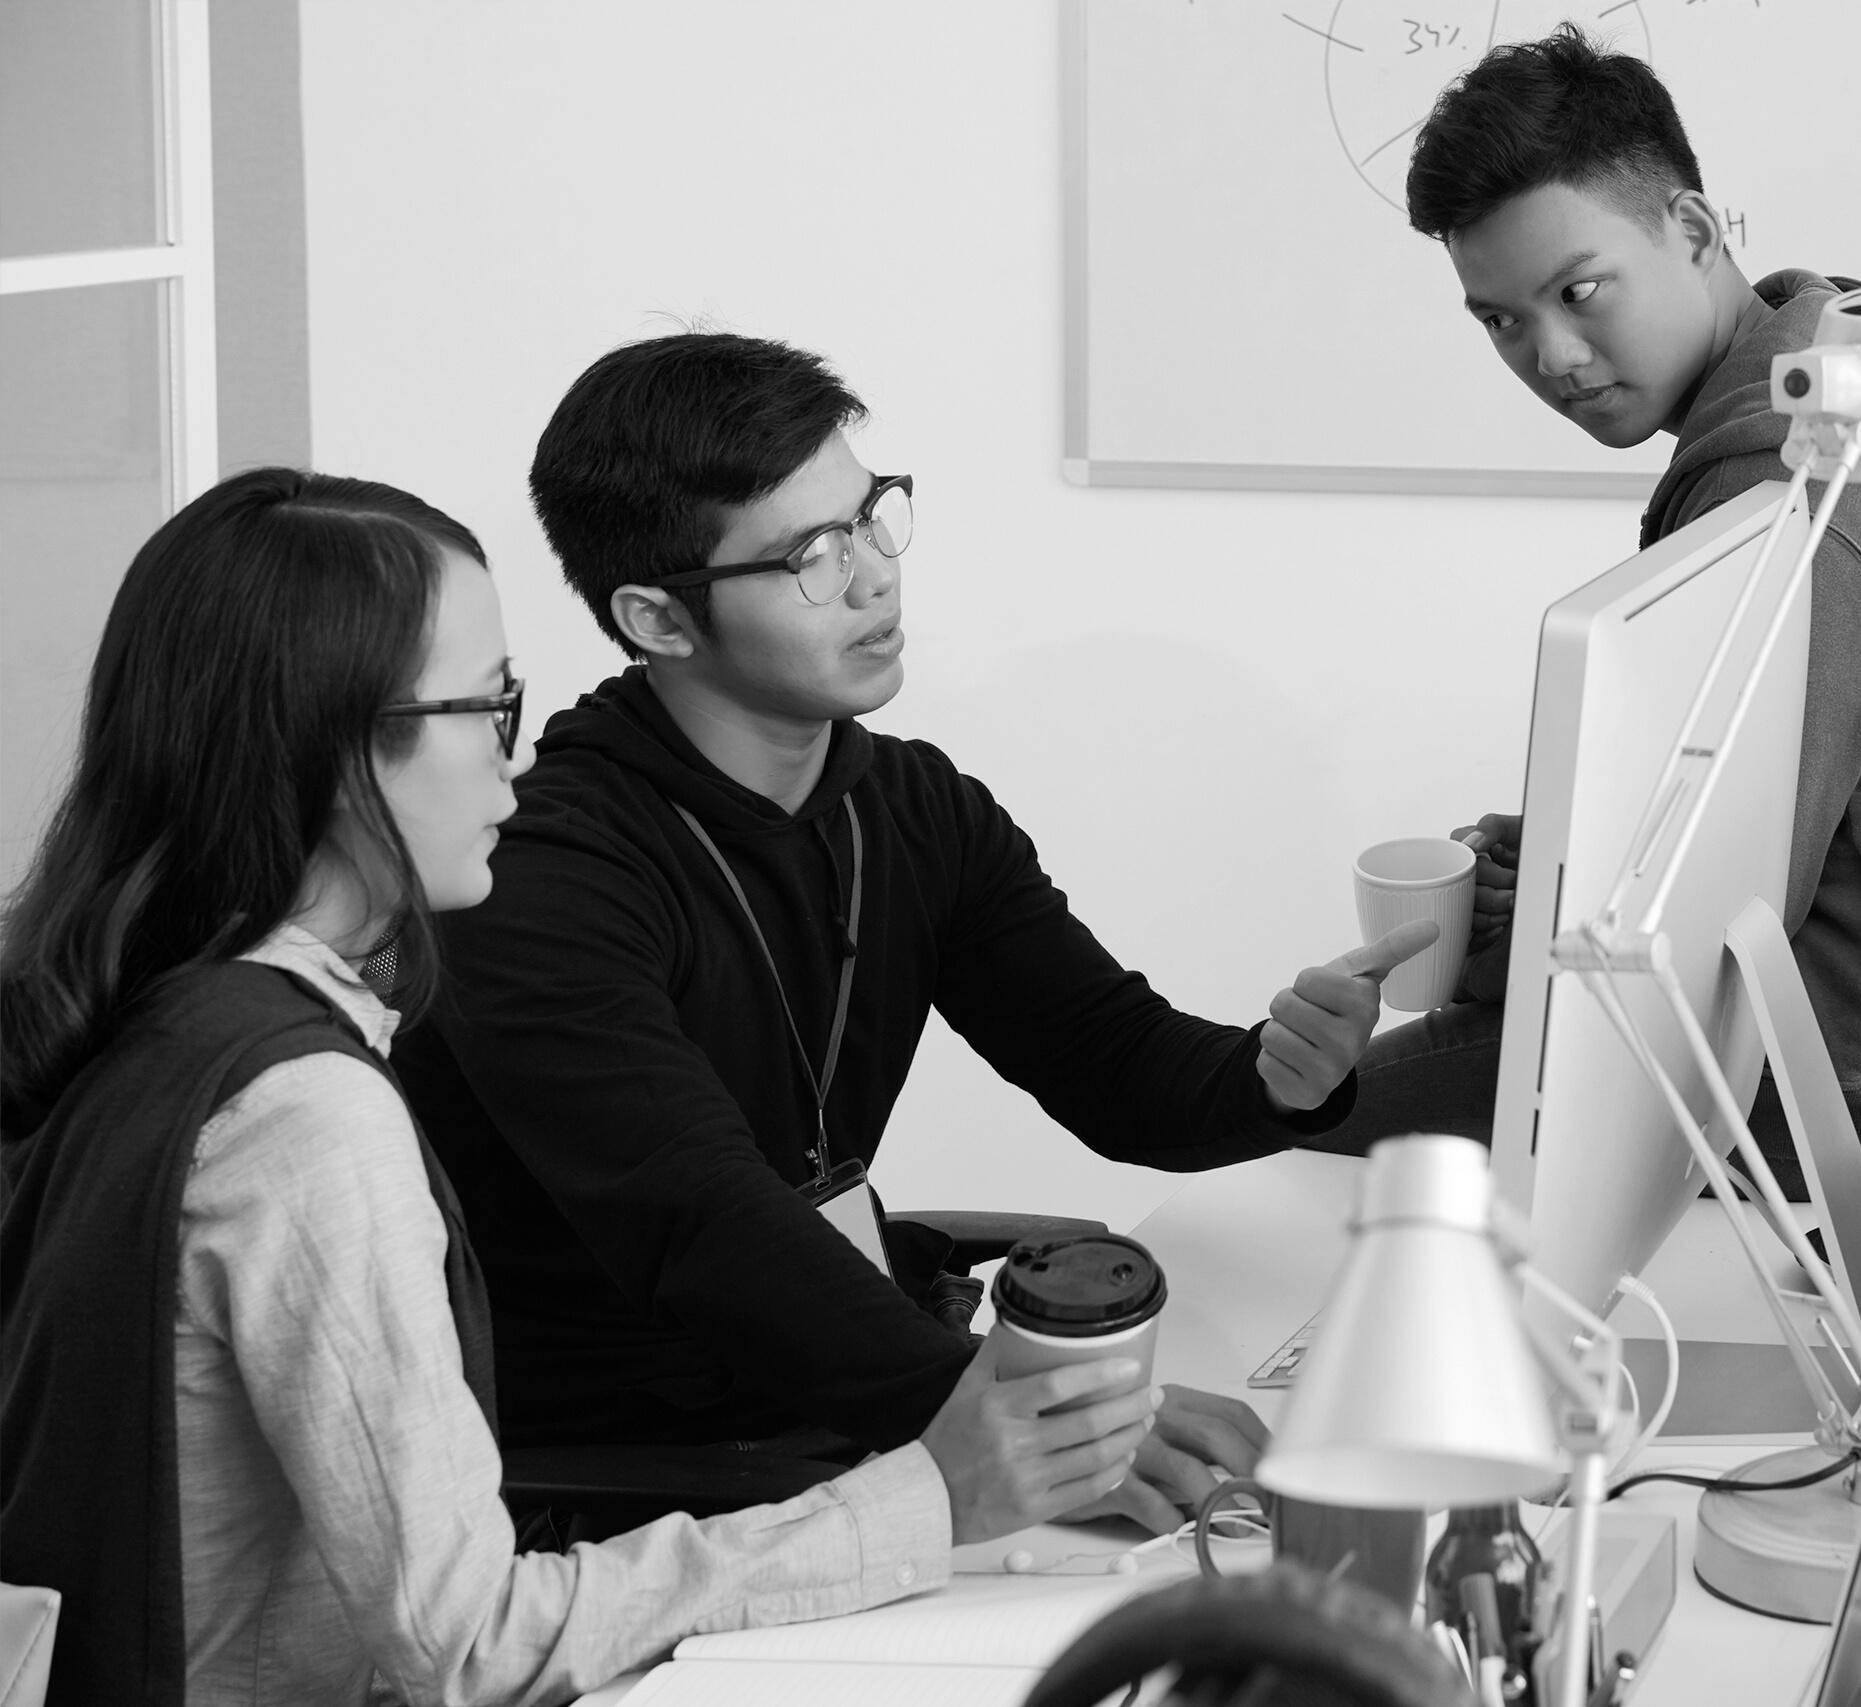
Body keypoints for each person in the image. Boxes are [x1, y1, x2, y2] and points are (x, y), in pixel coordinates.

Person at [0, 470, 1163, 1705]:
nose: (515, 759)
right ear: (341, 751)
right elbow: (469, 1645)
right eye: (486, 708)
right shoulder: (302, 1118)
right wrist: (928, 1496)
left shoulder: (149, 997)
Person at [393, 334, 1427, 1529]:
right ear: (658, 620)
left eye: (872, 517)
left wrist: (1277, 1072)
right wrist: (998, 1420)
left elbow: (1119, 1070)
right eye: (809, 558)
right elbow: (703, 1224)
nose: (876, 577)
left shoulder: (912, 809)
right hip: (633, 1480)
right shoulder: (542, 879)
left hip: (837, 1412)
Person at [1319, 28, 1861, 1190]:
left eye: (1578, 292)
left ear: (1691, 230)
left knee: (1299, 1112)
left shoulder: (1796, 485)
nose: (1554, 355)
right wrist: (1552, 869)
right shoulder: (1835, 365)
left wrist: (1503, 936)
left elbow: (1695, 940)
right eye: (1501, 320)